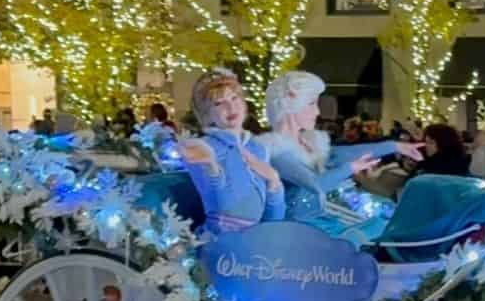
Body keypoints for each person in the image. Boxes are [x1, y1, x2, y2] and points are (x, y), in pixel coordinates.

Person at [258, 71, 420, 208]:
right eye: (311, 103)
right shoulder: (276, 151)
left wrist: (395, 146)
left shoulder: (308, 143)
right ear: (291, 106)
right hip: (299, 230)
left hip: (323, 218)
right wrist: (351, 167)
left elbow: (345, 153)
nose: (317, 111)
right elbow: (316, 184)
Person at [180, 69, 286, 234]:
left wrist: (274, 180)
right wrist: (212, 167)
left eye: (234, 98)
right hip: (220, 240)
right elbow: (223, 207)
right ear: (207, 114)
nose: (230, 107)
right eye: (218, 103)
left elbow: (275, 219)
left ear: (243, 103)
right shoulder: (204, 147)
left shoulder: (258, 148)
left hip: (257, 241)